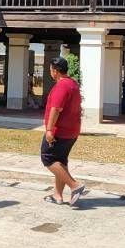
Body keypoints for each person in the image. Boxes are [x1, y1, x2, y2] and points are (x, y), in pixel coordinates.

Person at [41, 56, 85, 206]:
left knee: (47, 158)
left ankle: (75, 185)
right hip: (72, 131)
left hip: (60, 131)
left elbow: (56, 109)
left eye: (51, 70)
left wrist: (49, 130)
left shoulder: (62, 85)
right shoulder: (73, 84)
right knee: (60, 161)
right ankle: (57, 195)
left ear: (55, 71)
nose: (50, 72)